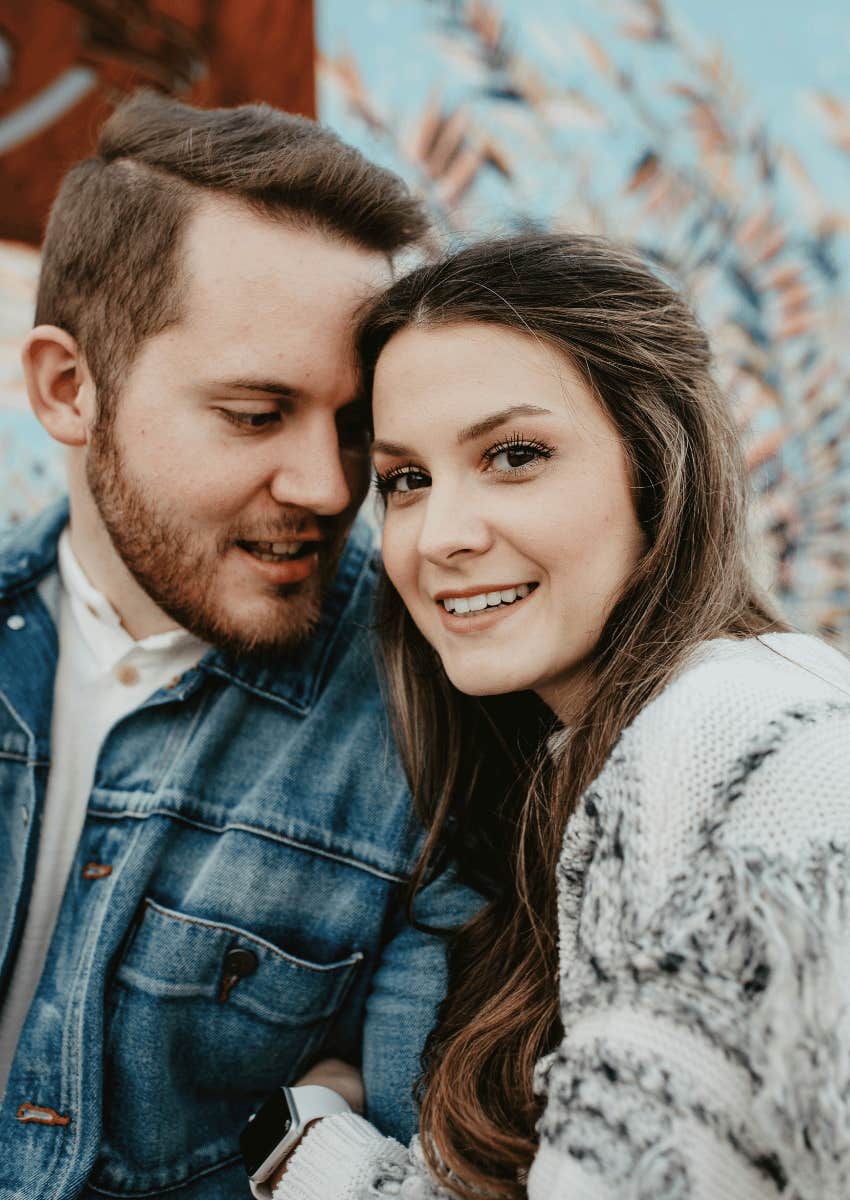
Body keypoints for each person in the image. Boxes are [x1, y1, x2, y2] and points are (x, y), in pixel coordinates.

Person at [268, 233, 850, 1200]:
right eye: (406, 479)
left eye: (514, 455)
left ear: (656, 468)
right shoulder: (579, 776)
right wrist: (311, 1148)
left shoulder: (750, 734)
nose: (441, 538)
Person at [0, 91, 479, 1199]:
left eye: (355, 427)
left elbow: (432, 1149)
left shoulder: (434, 716)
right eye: (257, 414)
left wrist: (319, 1127)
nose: (326, 487)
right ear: (70, 388)